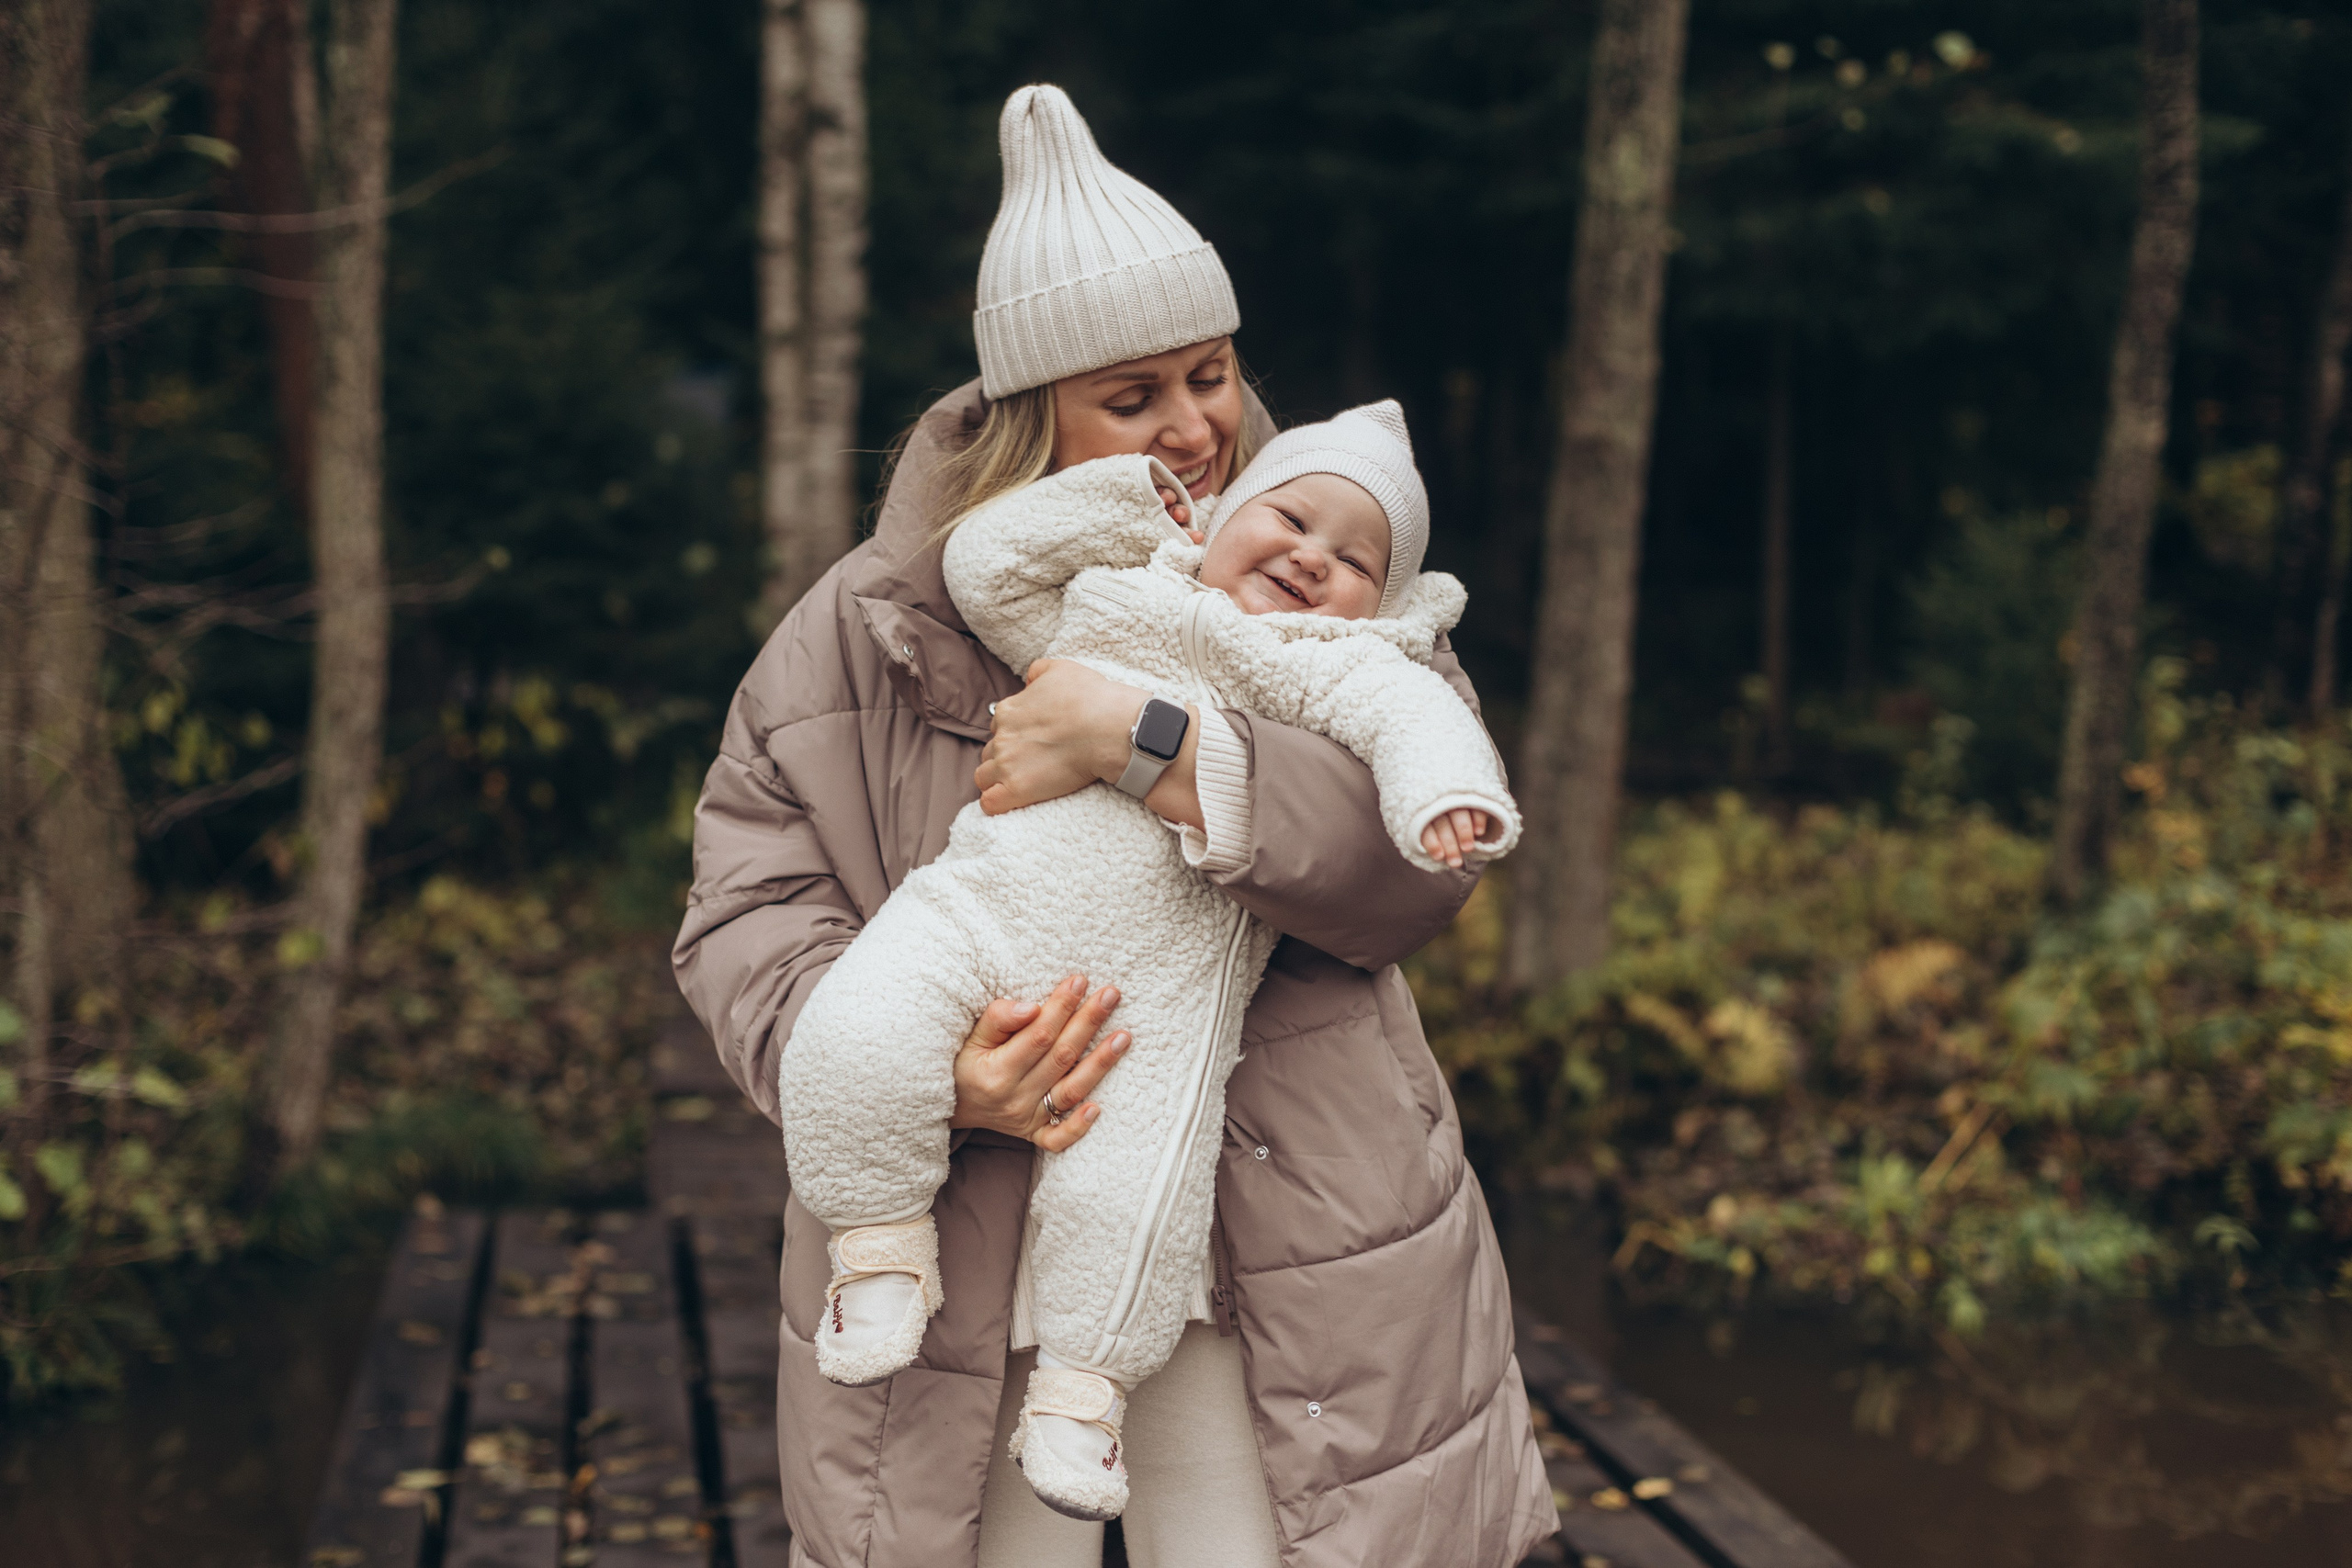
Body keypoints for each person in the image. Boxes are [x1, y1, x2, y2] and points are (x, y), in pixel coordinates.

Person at [673, 82, 1558, 1568]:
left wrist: (1149, 742)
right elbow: (748, 904)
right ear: (1031, 414)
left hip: (1266, 1239)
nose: (1198, 425)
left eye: (1209, 374)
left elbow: (1412, 864)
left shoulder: (1329, 570)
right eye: (1133, 396)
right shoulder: (863, 625)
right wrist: (927, 1071)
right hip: (965, 1252)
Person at [782, 400, 1519, 1523]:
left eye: (1355, 558)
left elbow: (1414, 734)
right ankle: (878, 1243)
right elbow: (987, 563)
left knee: (1127, 1198)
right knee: (855, 1027)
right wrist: (1143, 505)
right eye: (1133, 396)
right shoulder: (1119, 583)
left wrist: (1150, 738)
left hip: (1164, 1006)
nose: (1313, 559)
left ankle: (1082, 1393)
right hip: (979, 910)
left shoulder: (1330, 657)